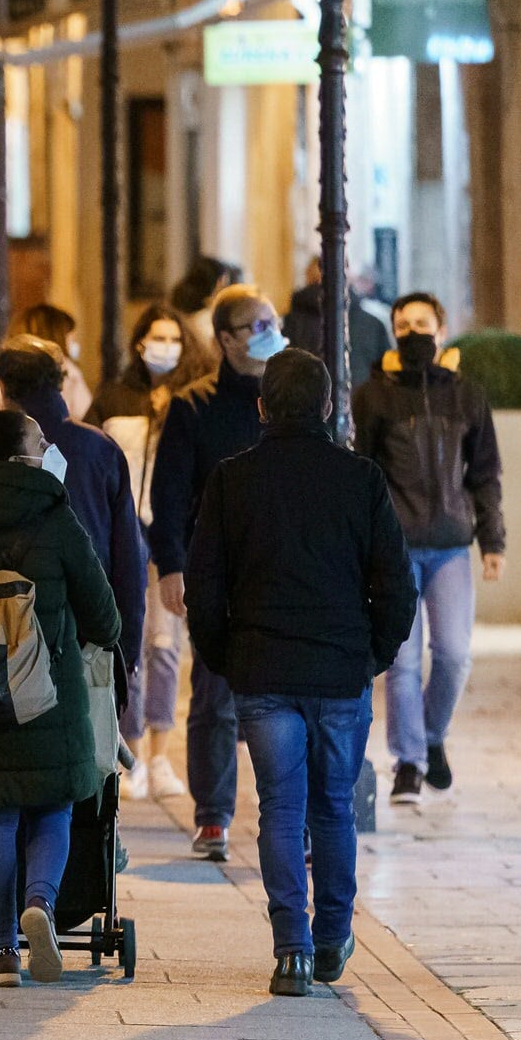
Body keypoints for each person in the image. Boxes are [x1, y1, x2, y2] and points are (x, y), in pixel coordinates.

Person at [185, 347, 415, 996]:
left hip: (264, 674)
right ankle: (331, 936)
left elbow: (205, 591)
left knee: (281, 810)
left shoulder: (232, 481)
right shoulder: (360, 479)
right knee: (333, 810)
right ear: (329, 406)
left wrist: (228, 659)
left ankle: (291, 948)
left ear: (261, 408)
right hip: (340, 672)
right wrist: (373, 655)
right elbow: (396, 588)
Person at [0, 411, 122, 984]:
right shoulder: (55, 517)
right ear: (20, 456)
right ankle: (41, 903)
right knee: (53, 804)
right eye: (41, 442)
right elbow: (102, 613)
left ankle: (3, 949)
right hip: (47, 694)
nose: (49, 449)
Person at [147, 284, 287, 858]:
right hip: (217, 573)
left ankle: (287, 820)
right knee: (215, 694)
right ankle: (213, 816)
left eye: (272, 321)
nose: (269, 332)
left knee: (283, 698)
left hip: (282, 572)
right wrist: (173, 567)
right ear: (225, 339)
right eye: (257, 325)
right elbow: (171, 495)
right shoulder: (194, 407)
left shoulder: (290, 402)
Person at [352, 288, 504, 802]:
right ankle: (409, 764)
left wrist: (492, 539)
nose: (413, 332)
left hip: (450, 548)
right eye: (403, 324)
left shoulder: (467, 395)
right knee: (402, 659)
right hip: (395, 550)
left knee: (455, 654)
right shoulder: (374, 395)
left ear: (441, 333)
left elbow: (484, 473)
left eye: (422, 324)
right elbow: (364, 474)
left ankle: (432, 737)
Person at [0, 340, 145, 719]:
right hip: (88, 628)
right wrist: (128, 648)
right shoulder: (100, 449)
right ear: (60, 381)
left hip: (4, 625)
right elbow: (128, 558)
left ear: (3, 387)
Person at [93, 300, 191, 798]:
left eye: (175, 339)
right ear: (139, 342)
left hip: (167, 536)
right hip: (121, 536)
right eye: (159, 337)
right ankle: (128, 750)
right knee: (127, 646)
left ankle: (160, 755)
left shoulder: (190, 399)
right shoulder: (113, 395)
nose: (167, 348)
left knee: (164, 645)